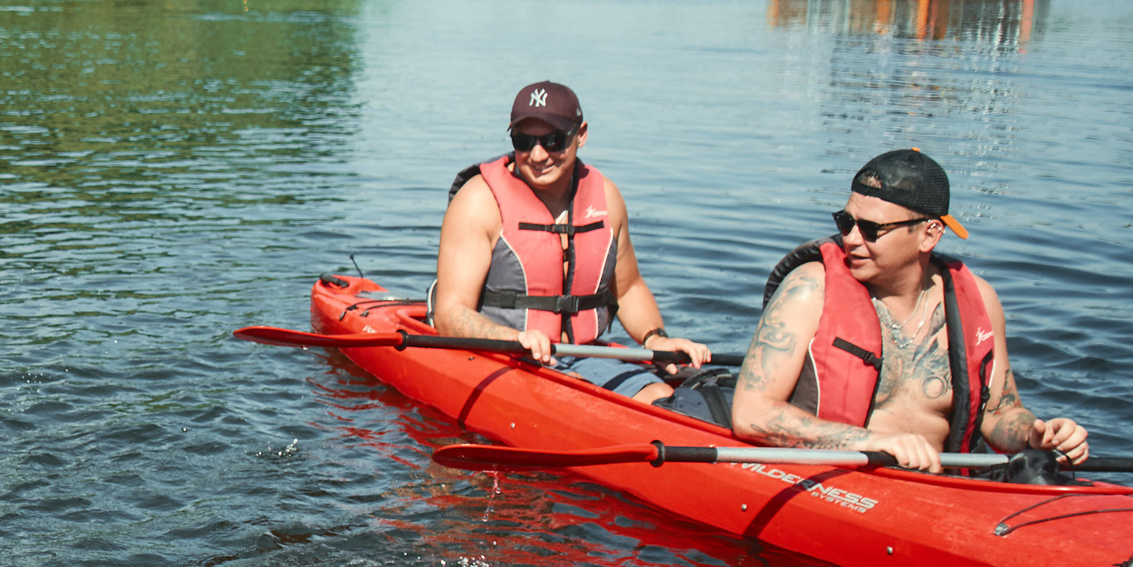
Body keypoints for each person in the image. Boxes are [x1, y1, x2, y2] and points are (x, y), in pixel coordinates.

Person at [730, 149, 1087, 473]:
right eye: (846, 222)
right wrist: (872, 443)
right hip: (841, 478)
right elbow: (751, 413)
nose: (851, 238)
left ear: (929, 234)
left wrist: (1036, 434)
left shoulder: (979, 298)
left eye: (871, 229)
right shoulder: (809, 289)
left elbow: (998, 413)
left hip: (940, 486)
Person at [432, 82, 712, 406]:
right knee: (577, 396)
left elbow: (630, 288)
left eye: (553, 141)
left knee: (664, 397)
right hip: (501, 355)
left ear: (581, 135)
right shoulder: (478, 202)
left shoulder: (607, 198)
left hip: (582, 354)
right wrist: (512, 338)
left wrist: (656, 339)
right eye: (524, 142)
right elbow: (449, 313)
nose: (538, 155)